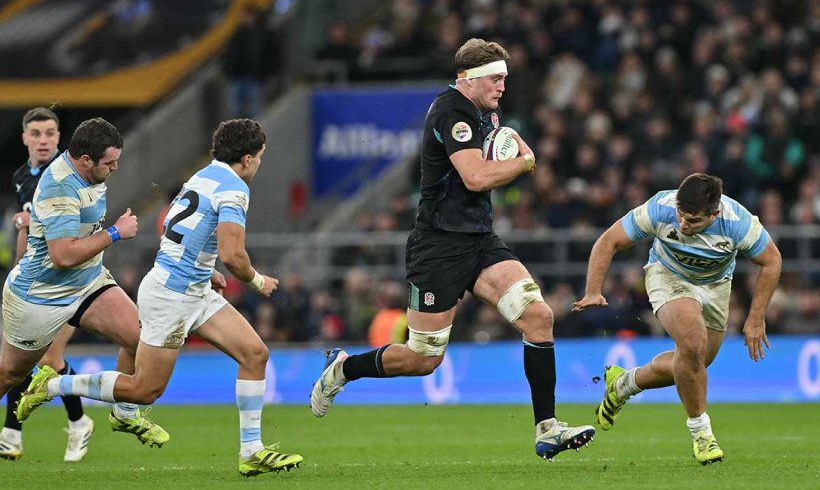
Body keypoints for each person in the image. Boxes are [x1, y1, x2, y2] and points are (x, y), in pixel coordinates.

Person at [310, 38, 595, 461]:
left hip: (478, 239)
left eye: (504, 78)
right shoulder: (451, 110)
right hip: (439, 244)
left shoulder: (485, 113)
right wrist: (523, 163)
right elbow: (476, 177)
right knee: (424, 357)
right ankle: (343, 370)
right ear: (470, 79)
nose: (502, 86)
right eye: (496, 78)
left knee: (537, 316)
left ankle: (548, 428)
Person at [14, 119, 303, 477]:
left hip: (192, 286)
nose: (259, 163)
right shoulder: (235, 189)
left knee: (255, 354)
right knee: (144, 389)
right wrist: (259, 282)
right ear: (247, 158)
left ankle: (252, 452)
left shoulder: (203, 176)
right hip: (172, 296)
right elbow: (234, 257)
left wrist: (201, 266)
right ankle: (53, 383)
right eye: (259, 157)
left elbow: (175, 228)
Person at [0, 118, 168, 480]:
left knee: (138, 338)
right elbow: (62, 255)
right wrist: (114, 232)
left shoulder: (90, 172)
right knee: (8, 374)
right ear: (83, 160)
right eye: (109, 163)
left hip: (88, 282)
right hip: (40, 295)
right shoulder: (61, 186)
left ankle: (124, 415)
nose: (115, 169)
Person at [572, 173, 781, 465]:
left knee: (695, 362)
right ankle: (702, 434)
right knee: (692, 345)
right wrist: (593, 290)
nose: (683, 224)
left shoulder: (738, 223)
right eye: (681, 216)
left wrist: (756, 319)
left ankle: (623, 384)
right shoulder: (660, 207)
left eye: (693, 220)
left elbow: (771, 261)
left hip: (716, 286)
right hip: (667, 276)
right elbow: (609, 241)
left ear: (715, 213)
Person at [0, 108, 94, 463]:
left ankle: (72, 423)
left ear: (59, 138)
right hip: (38, 280)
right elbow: (26, 231)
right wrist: (17, 272)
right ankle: (62, 425)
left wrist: (35, 219)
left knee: (46, 357)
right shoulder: (23, 176)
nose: (43, 140)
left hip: (74, 279)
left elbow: (82, 224)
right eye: (36, 134)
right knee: (27, 358)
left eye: (50, 133)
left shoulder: (70, 174)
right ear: (24, 138)